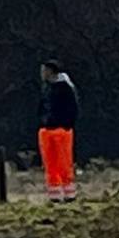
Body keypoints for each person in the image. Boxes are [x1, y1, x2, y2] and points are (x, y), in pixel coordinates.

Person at [37, 59, 79, 202]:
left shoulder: (65, 88)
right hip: (47, 130)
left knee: (63, 163)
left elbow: (73, 108)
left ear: (51, 71)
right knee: (50, 165)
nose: (42, 74)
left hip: (61, 130)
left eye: (44, 70)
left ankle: (69, 195)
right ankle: (54, 195)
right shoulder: (47, 88)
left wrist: (66, 125)